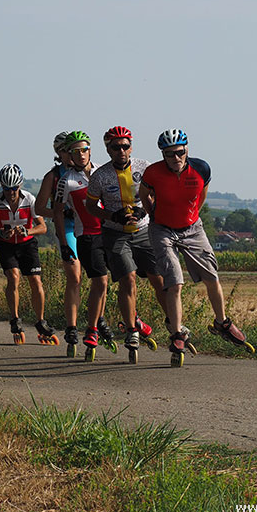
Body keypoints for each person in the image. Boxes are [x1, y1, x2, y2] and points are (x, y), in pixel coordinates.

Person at [139, 129, 255, 367]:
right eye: (169, 154)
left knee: (212, 276)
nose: (176, 158)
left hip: (192, 227)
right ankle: (178, 333)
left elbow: (200, 197)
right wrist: (154, 217)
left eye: (180, 152)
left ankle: (222, 322)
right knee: (174, 281)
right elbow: (144, 194)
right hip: (162, 229)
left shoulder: (202, 169)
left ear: (187, 150)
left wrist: (191, 217)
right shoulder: (153, 173)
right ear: (163, 154)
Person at [85, 126, 166, 364]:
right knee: (128, 278)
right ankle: (131, 330)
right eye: (115, 147)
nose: (121, 150)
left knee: (158, 279)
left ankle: (173, 324)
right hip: (115, 233)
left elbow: (158, 194)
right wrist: (112, 216)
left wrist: (145, 208)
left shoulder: (145, 167)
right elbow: (91, 207)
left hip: (143, 230)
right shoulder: (99, 175)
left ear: (132, 146)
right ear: (108, 149)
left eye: (125, 145)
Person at [53, 131, 115, 361]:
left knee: (115, 280)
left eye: (84, 149)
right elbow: (58, 214)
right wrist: (63, 243)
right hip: (86, 234)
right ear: (68, 155)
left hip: (111, 232)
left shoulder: (104, 171)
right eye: (75, 151)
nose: (81, 154)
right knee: (99, 280)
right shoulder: (65, 180)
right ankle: (90, 329)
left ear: (91, 150)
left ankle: (102, 323)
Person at [0, 163, 57, 345]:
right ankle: (15, 319)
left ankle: (41, 321)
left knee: (35, 280)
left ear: (20, 185)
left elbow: (43, 226)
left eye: (14, 188)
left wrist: (28, 232)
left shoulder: (30, 199)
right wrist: (0, 234)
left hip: (27, 243)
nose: (11, 192)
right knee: (14, 277)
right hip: (5, 245)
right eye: (6, 189)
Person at [35, 132, 83, 354]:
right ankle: (72, 327)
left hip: (92, 226)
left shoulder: (90, 171)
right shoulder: (53, 176)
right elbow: (39, 208)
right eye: (66, 151)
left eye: (74, 150)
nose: (71, 155)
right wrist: (60, 211)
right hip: (69, 228)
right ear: (59, 153)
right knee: (74, 277)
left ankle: (99, 320)